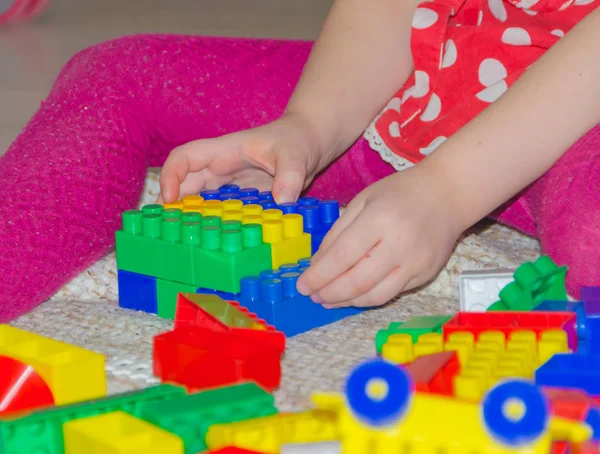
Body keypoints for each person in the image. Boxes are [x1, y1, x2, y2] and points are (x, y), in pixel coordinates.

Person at [0, 0, 598, 322]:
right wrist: (306, 128)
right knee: (120, 75)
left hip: (578, 113)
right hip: (428, 80)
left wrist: (449, 190)